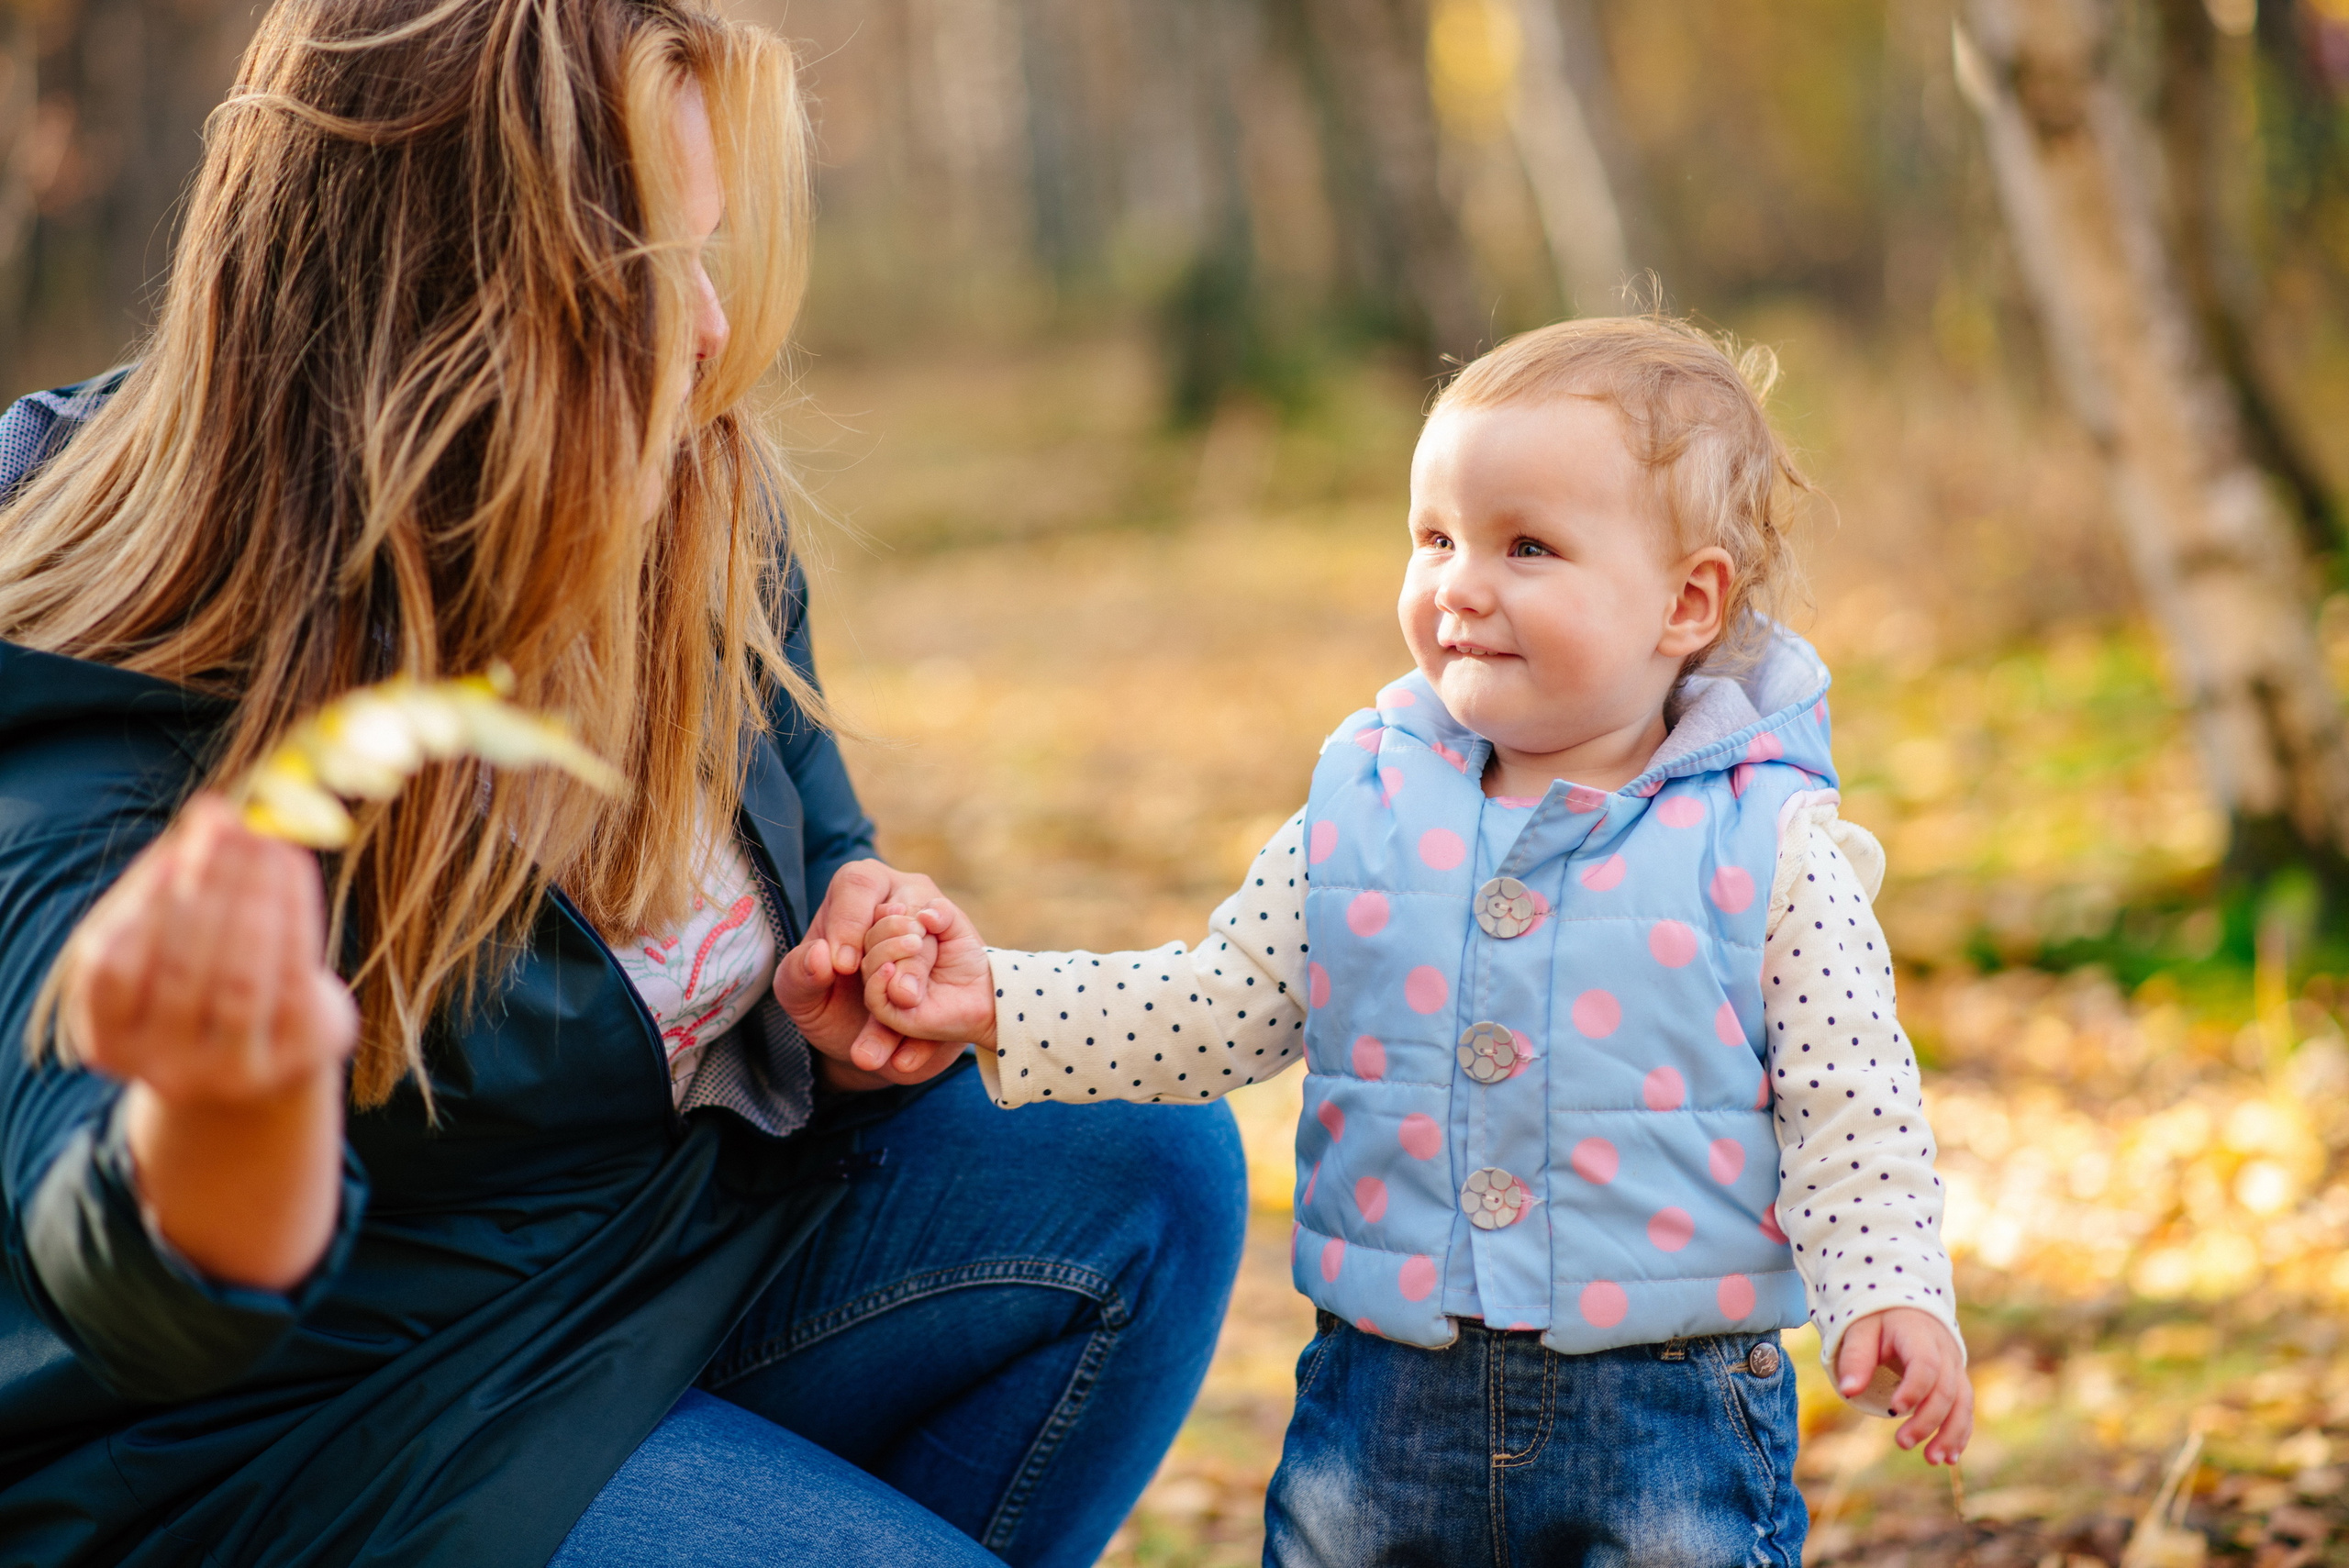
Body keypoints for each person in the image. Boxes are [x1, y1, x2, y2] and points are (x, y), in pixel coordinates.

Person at [0, 2, 1243, 1564]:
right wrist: (226, 1117)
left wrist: (862, 963)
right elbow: (117, 1276)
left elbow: (820, 828)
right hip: (324, 1443)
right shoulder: (118, 663)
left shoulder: (675, 493)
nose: (712, 326)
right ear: (434, 297)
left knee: (1142, 1157)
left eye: (706, 250)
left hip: (648, 1267)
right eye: (647, 270)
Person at [815, 316, 1976, 1566]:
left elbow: (1851, 1101)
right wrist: (998, 998)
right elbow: (1220, 1000)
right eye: (1436, 538)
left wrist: (1891, 1286)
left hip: (1667, 1414)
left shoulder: (1767, 847)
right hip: (1379, 1403)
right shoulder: (1366, 801)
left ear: (1687, 601)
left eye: (1528, 546)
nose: (1461, 583)